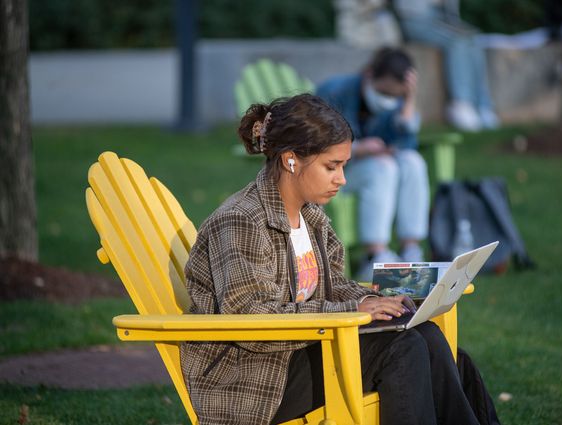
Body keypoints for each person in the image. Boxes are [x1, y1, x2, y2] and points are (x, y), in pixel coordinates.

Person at [180, 94, 487, 425]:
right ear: (291, 160)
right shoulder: (242, 220)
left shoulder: (310, 216)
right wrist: (352, 310)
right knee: (402, 348)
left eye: (344, 166)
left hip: (302, 350)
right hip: (254, 376)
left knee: (424, 333)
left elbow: (333, 284)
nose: (342, 179)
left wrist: (375, 300)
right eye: (332, 166)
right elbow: (251, 318)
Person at [316, 47, 429, 281]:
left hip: (368, 169)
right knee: (383, 167)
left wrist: (409, 101)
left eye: (396, 96)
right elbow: (315, 147)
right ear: (369, 75)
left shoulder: (398, 100)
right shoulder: (334, 92)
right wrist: (357, 149)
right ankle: (374, 256)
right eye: (384, 92)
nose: (389, 101)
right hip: (334, 174)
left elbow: (408, 143)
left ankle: (410, 249)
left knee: (413, 161)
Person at [393, 0, 499, 131]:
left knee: (473, 38)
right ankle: (461, 104)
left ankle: (482, 105)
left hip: (442, 18)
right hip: (415, 18)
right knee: (458, 41)